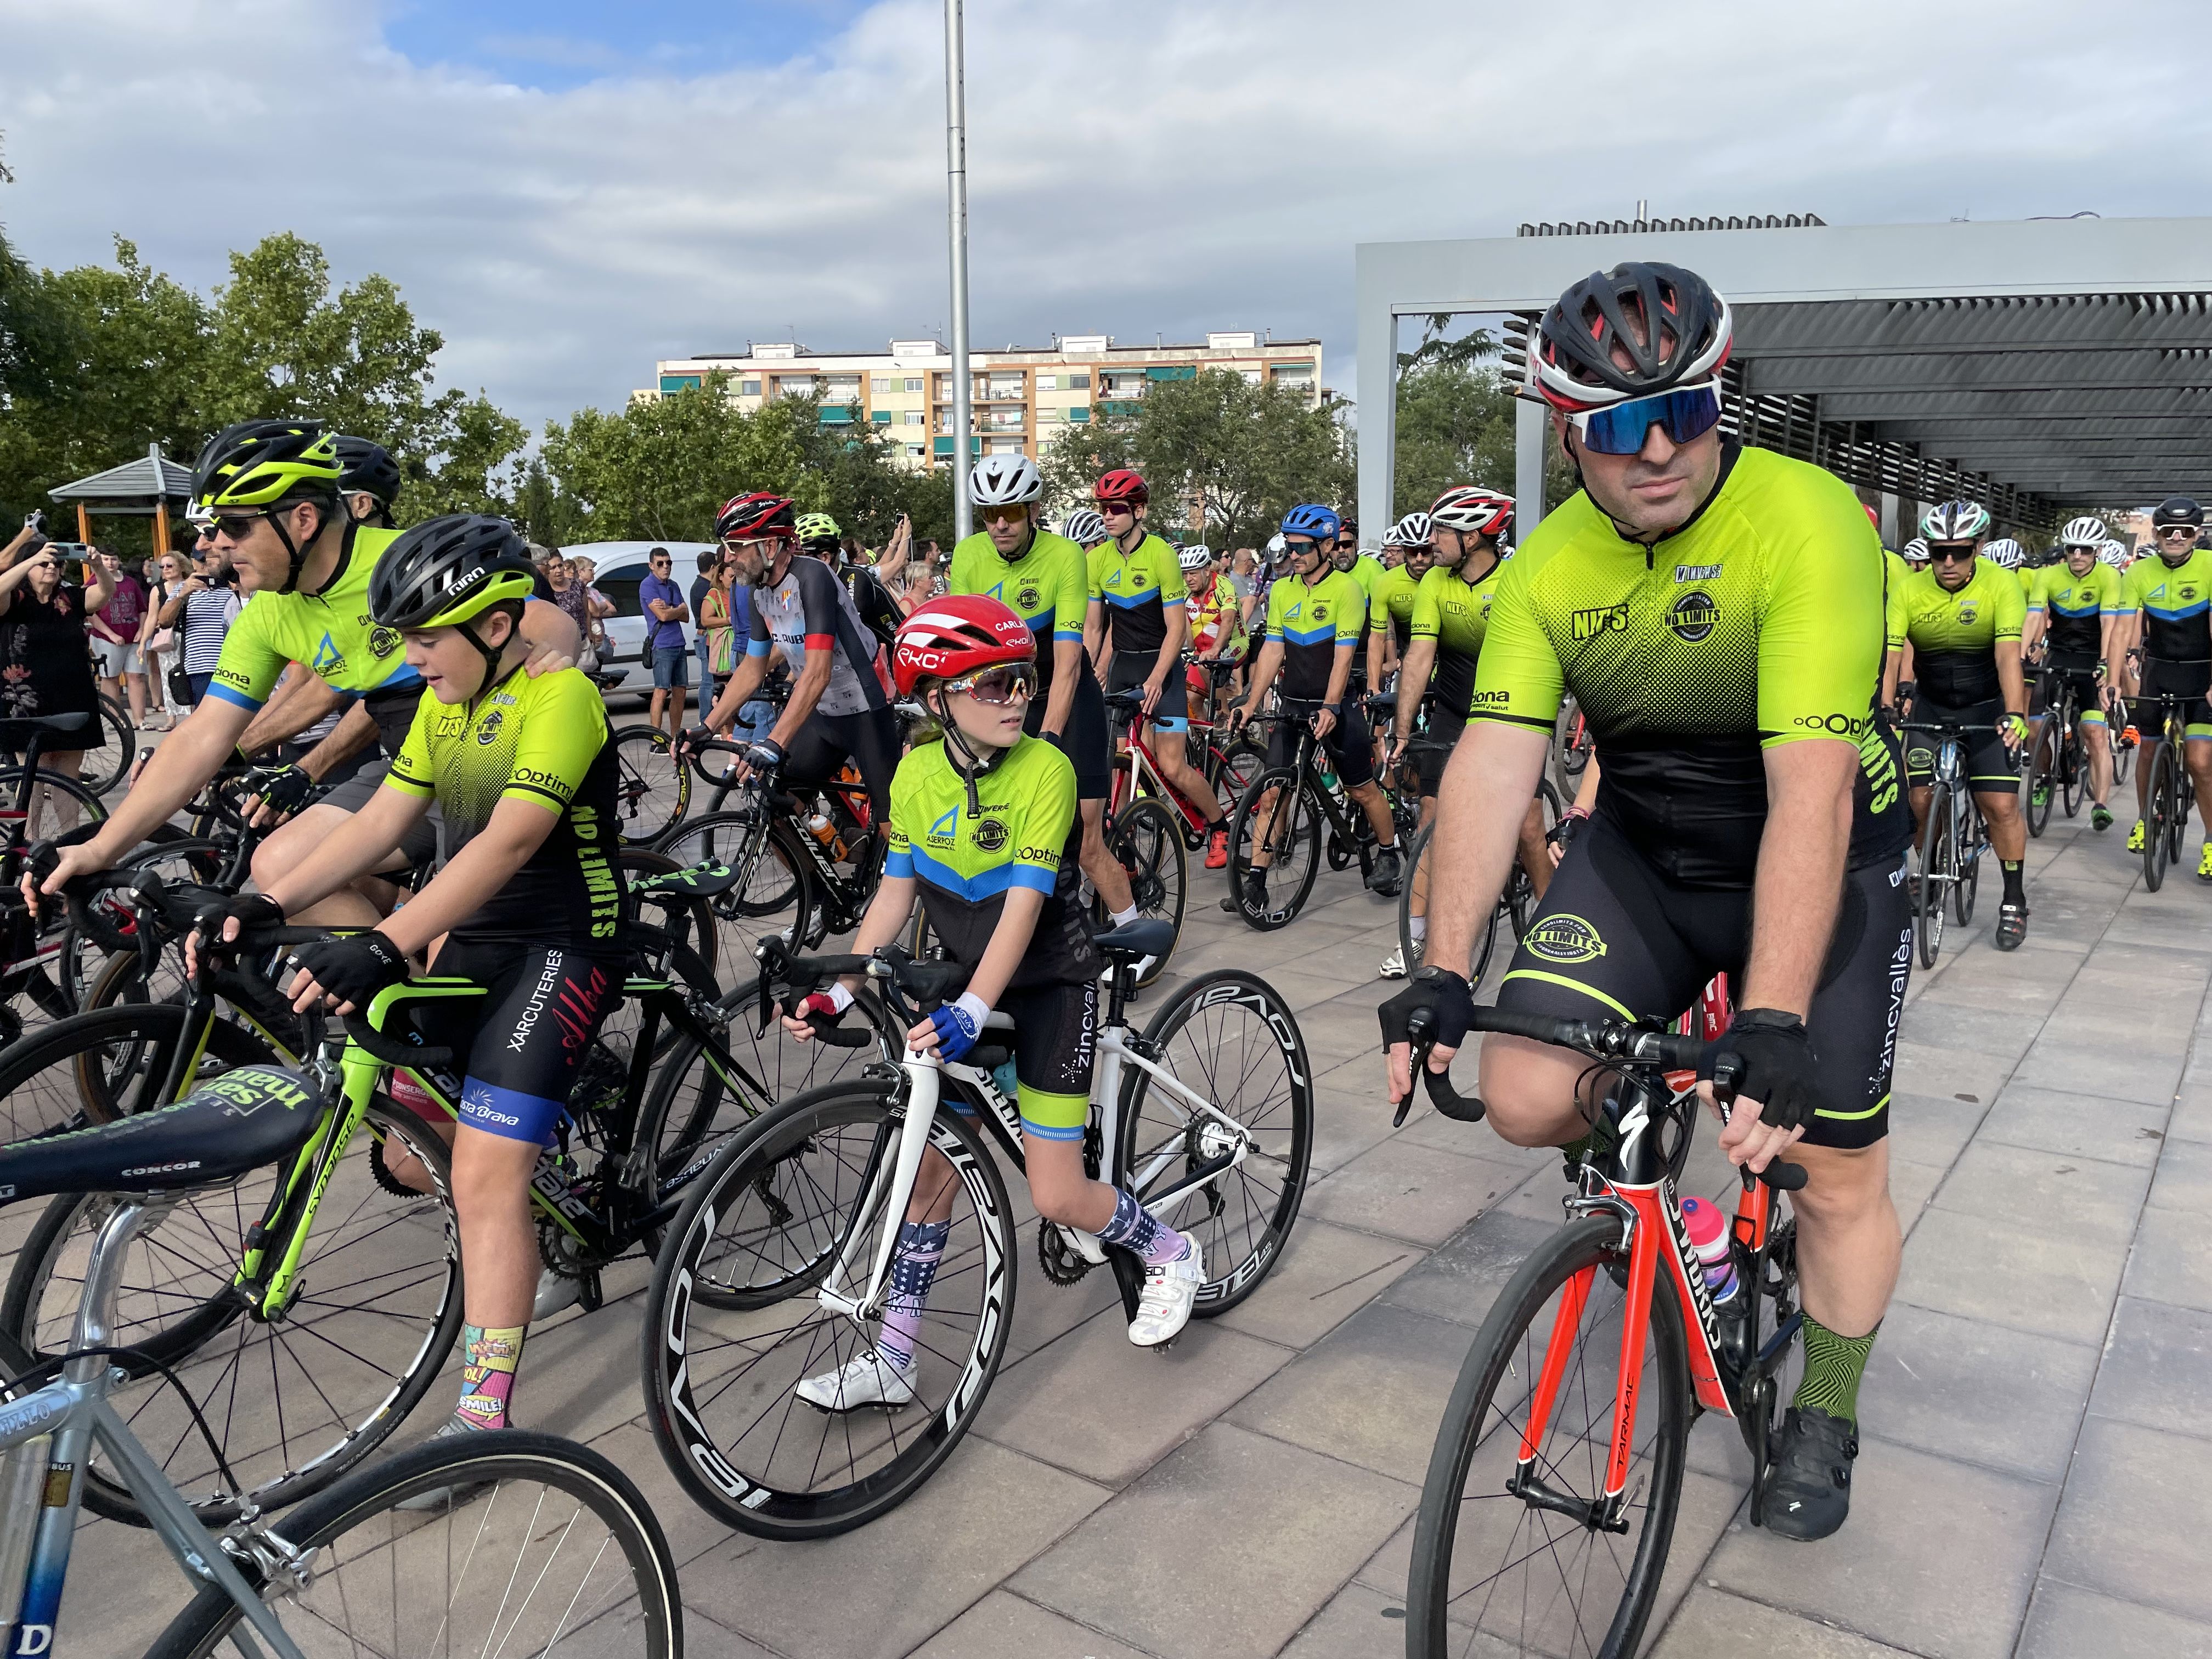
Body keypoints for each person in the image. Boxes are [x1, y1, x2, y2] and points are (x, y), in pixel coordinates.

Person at [1381, 260, 1911, 1543]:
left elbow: (1812, 795)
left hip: (1819, 853)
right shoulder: (1550, 563)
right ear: (1573, 434)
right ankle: (1675, 1228)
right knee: (1523, 1087)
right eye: (1622, 426)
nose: (1662, 448)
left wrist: (1772, 1022)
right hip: (1649, 856)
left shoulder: (1810, 520)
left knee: (1831, 1170)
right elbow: (1494, 764)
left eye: (1691, 410)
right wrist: (1443, 972)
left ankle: (1828, 1411)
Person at [199, 513, 628, 1453]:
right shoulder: (444, 700)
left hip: (563, 941)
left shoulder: (559, 702)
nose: (411, 658)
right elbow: (380, 819)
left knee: (480, 1173)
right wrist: (265, 901)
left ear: (489, 625)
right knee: (409, 1153)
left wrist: (387, 943)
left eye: (426, 639)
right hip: (472, 932)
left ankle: (483, 1415)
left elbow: (512, 838)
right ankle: (531, 1175)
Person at [783, 595, 1204, 1413]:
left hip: (1049, 981)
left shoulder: (1045, 770)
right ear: (937, 699)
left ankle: (1169, 1248)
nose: (1019, 697)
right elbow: (892, 899)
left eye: (1023, 680)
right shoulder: (914, 773)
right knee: (931, 1173)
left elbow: (1020, 908)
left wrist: (977, 1009)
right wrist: (841, 986)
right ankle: (895, 1356)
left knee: (1055, 1194)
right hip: (972, 980)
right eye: (996, 685)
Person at [37, 420, 579, 929]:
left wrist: (551, 655)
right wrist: (98, 849)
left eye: (234, 524)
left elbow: (547, 619)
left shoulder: (399, 558)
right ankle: (398, 1003)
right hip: (405, 766)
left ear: (302, 518)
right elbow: (203, 736)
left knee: (452, 932)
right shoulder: (267, 613)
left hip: (486, 762)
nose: (215, 543)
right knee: (278, 866)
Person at [946, 460, 1141, 940]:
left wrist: (1050, 740)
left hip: (1065, 699)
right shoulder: (970, 555)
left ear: (1032, 509)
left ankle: (1136, 938)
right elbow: (960, 656)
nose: (999, 524)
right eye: (989, 513)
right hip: (1008, 699)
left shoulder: (1065, 556)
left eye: (1010, 511)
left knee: (1083, 841)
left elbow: (1071, 660)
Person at [683, 492, 900, 830]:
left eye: (737, 546)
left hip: (866, 710)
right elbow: (754, 667)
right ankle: (818, 878)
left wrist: (774, 742)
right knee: (776, 802)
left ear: (770, 547)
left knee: (893, 832)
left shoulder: (812, 576)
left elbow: (817, 673)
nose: (729, 558)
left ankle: (903, 878)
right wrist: (706, 726)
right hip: (825, 714)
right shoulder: (759, 592)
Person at [1228, 502, 1402, 911]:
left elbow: (1344, 657)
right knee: (1273, 794)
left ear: (1326, 546)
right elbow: (1273, 650)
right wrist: (1252, 701)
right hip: (1293, 702)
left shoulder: (1346, 590)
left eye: (1303, 547)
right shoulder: (1284, 589)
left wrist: (1330, 707)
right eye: (1290, 546)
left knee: (1361, 789)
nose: (1294, 555)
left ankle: (1389, 852)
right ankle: (1256, 881)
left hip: (1336, 704)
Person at [1886, 500, 2031, 949]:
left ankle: (2013, 900)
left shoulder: (2001, 585)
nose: (1948, 562)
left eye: (1960, 552)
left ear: (1978, 548)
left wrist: (2015, 712)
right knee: (1921, 800)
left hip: (1986, 707)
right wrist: (1886, 705)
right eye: (1938, 552)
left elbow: (2008, 653)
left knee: (2000, 806)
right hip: (1932, 705)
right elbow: (1892, 652)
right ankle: (1931, 860)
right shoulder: (1910, 589)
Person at [1085, 469, 1229, 868]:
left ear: (1139, 510)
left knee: (1171, 766)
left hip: (1161, 667)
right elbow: (1095, 627)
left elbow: (1176, 627)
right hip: (1123, 666)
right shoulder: (1097, 559)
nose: (1108, 516)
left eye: (1116, 508)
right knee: (1120, 765)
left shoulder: (1162, 554)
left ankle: (1219, 826)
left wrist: (1156, 678)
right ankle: (1127, 854)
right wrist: (1083, 671)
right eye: (1103, 509)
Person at [2120, 494, 2212, 876]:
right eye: (2168, 531)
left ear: (2197, 534)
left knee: (2200, 761)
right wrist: (2119, 671)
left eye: (2185, 531)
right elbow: (2123, 629)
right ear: (2156, 534)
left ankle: (2210, 841)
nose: (2176, 536)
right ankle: (2145, 816)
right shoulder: (2139, 573)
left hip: (2201, 672)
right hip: (2158, 670)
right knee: (2146, 751)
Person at [0, 523, 112, 833]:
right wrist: (30, 559)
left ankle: (70, 839)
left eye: (56, 563)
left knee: (68, 778)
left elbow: (103, 595)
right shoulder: (16, 599)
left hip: (72, 697)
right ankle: (28, 843)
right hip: (25, 702)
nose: (51, 567)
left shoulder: (70, 598)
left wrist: (98, 567)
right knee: (32, 777)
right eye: (44, 563)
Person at [2021, 515, 2123, 831]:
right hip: (2060, 653)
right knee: (2035, 729)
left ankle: (2101, 804)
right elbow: (2034, 615)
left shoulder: (2109, 576)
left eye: (2086, 550)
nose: (2078, 555)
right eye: (2072, 549)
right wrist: (2023, 651)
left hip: (2093, 656)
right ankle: (2043, 776)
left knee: (2094, 733)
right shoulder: (2048, 575)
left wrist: (2106, 663)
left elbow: (2109, 625)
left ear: (2097, 551)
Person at [156, 526, 241, 706]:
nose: (206, 565)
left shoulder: (233, 584)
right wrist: (182, 595)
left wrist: (234, 586)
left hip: (233, 664)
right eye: (201, 561)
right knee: (205, 714)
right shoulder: (184, 588)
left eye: (208, 560)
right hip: (200, 666)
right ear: (193, 563)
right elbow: (163, 621)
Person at [88, 548, 151, 731]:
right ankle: (116, 720)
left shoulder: (130, 583)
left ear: (119, 561)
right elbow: (89, 612)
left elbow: (142, 608)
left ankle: (140, 719)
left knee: (136, 676)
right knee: (110, 677)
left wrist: (142, 630)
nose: (110, 563)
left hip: (133, 638)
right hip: (107, 638)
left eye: (113, 559)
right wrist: (111, 634)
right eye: (106, 559)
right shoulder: (94, 581)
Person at [639, 548, 689, 741]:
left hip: (678, 643)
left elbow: (685, 616)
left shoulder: (673, 585)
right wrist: (675, 609)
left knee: (680, 690)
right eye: (660, 563)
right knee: (661, 690)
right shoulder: (648, 585)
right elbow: (663, 615)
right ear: (651, 566)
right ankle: (657, 739)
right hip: (662, 645)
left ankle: (675, 736)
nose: (666, 567)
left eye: (669, 563)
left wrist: (672, 609)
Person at [139, 549, 190, 730]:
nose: (166, 569)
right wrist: (144, 641)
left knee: (191, 675)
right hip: (168, 637)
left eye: (170, 565)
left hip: (191, 635)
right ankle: (171, 718)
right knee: (168, 676)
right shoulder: (158, 589)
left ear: (181, 566)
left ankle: (192, 714)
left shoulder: (190, 585)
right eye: (162, 566)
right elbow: (152, 617)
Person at [689, 550, 726, 714]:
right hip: (707, 636)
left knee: (709, 679)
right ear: (714, 567)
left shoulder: (696, 586)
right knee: (708, 681)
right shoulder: (707, 589)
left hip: (704, 636)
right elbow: (706, 619)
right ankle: (706, 718)